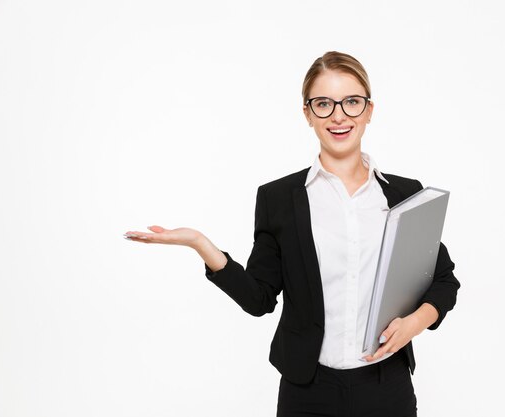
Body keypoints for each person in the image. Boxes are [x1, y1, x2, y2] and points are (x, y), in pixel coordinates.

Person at [124, 51, 461, 417]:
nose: (338, 115)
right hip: (308, 391)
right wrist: (200, 244)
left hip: (386, 387)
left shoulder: (405, 194)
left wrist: (415, 322)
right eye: (323, 104)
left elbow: (443, 280)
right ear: (307, 114)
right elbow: (259, 299)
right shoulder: (279, 198)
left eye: (351, 102)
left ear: (368, 110)